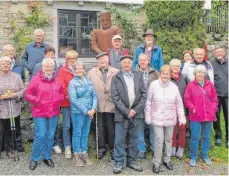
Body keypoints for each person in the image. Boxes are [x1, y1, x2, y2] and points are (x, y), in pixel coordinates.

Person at [145, 65, 186, 174]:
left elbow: (179, 103)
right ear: (160, 74)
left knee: (169, 140)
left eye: (167, 74)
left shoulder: (174, 87)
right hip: (157, 117)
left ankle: (167, 160)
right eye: (163, 73)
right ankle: (156, 162)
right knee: (159, 140)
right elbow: (148, 102)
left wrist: (181, 117)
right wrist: (148, 116)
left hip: (170, 118)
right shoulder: (153, 85)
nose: (165, 76)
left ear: (170, 75)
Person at [25, 58, 64, 170]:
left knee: (50, 135)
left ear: (53, 67)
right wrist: (36, 100)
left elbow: (61, 92)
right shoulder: (36, 79)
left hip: (53, 111)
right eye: (46, 66)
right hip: (40, 111)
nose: (48, 68)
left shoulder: (57, 79)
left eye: (50, 66)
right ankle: (35, 158)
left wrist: (59, 99)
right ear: (42, 67)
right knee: (40, 135)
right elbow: (27, 93)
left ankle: (47, 156)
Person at [111, 55, 146, 174]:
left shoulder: (139, 75)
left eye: (129, 62)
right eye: (124, 62)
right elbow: (115, 97)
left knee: (134, 139)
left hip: (136, 113)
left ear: (132, 64)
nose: (126, 64)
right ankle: (119, 162)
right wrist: (127, 111)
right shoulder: (116, 77)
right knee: (119, 139)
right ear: (121, 64)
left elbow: (144, 95)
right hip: (121, 114)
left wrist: (135, 110)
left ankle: (132, 161)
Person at [184, 64, 218, 167]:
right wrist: (193, 108)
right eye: (198, 72)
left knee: (206, 137)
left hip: (208, 115)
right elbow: (187, 99)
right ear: (195, 73)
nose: (200, 74)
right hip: (196, 115)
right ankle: (193, 157)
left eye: (202, 72)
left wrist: (213, 109)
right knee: (195, 137)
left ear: (205, 74)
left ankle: (205, 155)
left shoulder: (209, 84)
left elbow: (214, 99)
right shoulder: (190, 85)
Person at [88, 52, 118, 160]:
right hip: (98, 104)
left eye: (104, 59)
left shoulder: (115, 71)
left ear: (108, 60)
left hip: (111, 105)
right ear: (98, 61)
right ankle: (101, 148)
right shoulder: (92, 72)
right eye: (100, 60)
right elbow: (88, 89)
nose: (102, 61)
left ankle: (112, 148)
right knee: (99, 127)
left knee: (111, 127)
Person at [68, 60, 97, 167]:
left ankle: (84, 153)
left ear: (84, 70)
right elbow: (73, 100)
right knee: (77, 133)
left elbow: (94, 96)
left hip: (89, 112)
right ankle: (77, 154)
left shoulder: (89, 81)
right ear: (74, 71)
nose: (80, 70)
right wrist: (86, 111)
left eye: (81, 68)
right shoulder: (72, 83)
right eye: (77, 68)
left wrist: (93, 108)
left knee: (85, 133)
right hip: (78, 112)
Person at [135, 53, 159, 159]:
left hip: (153, 105)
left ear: (148, 61)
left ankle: (154, 149)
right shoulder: (133, 73)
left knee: (153, 128)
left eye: (144, 60)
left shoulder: (155, 73)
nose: (142, 62)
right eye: (140, 60)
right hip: (138, 104)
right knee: (139, 127)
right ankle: (141, 149)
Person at [0, 56, 25, 158]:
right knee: (0, 129)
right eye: (3, 63)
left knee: (10, 129)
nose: (6, 65)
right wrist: (2, 96)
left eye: (8, 63)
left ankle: (10, 149)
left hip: (13, 107)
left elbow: (23, 90)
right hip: (1, 107)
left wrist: (15, 95)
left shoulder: (17, 76)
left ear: (11, 65)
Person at [58, 50, 78, 158]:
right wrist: (71, 96)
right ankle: (67, 146)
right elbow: (62, 86)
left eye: (75, 58)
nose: (73, 60)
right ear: (66, 59)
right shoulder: (62, 70)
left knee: (76, 124)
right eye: (70, 58)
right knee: (66, 125)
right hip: (67, 102)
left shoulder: (79, 69)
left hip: (78, 103)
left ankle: (76, 147)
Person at [169, 59, 188, 158]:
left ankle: (180, 147)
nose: (175, 68)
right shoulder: (167, 77)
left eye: (177, 66)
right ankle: (172, 146)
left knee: (181, 127)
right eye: (173, 66)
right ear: (170, 66)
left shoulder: (184, 77)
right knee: (172, 128)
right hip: (170, 107)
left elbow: (189, 91)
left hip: (182, 107)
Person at [210, 46, 228, 147]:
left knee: (228, 116)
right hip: (215, 95)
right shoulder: (211, 64)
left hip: (227, 94)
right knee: (215, 116)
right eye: (216, 52)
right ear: (214, 53)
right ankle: (218, 136)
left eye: (220, 51)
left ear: (224, 52)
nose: (218, 53)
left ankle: (228, 138)